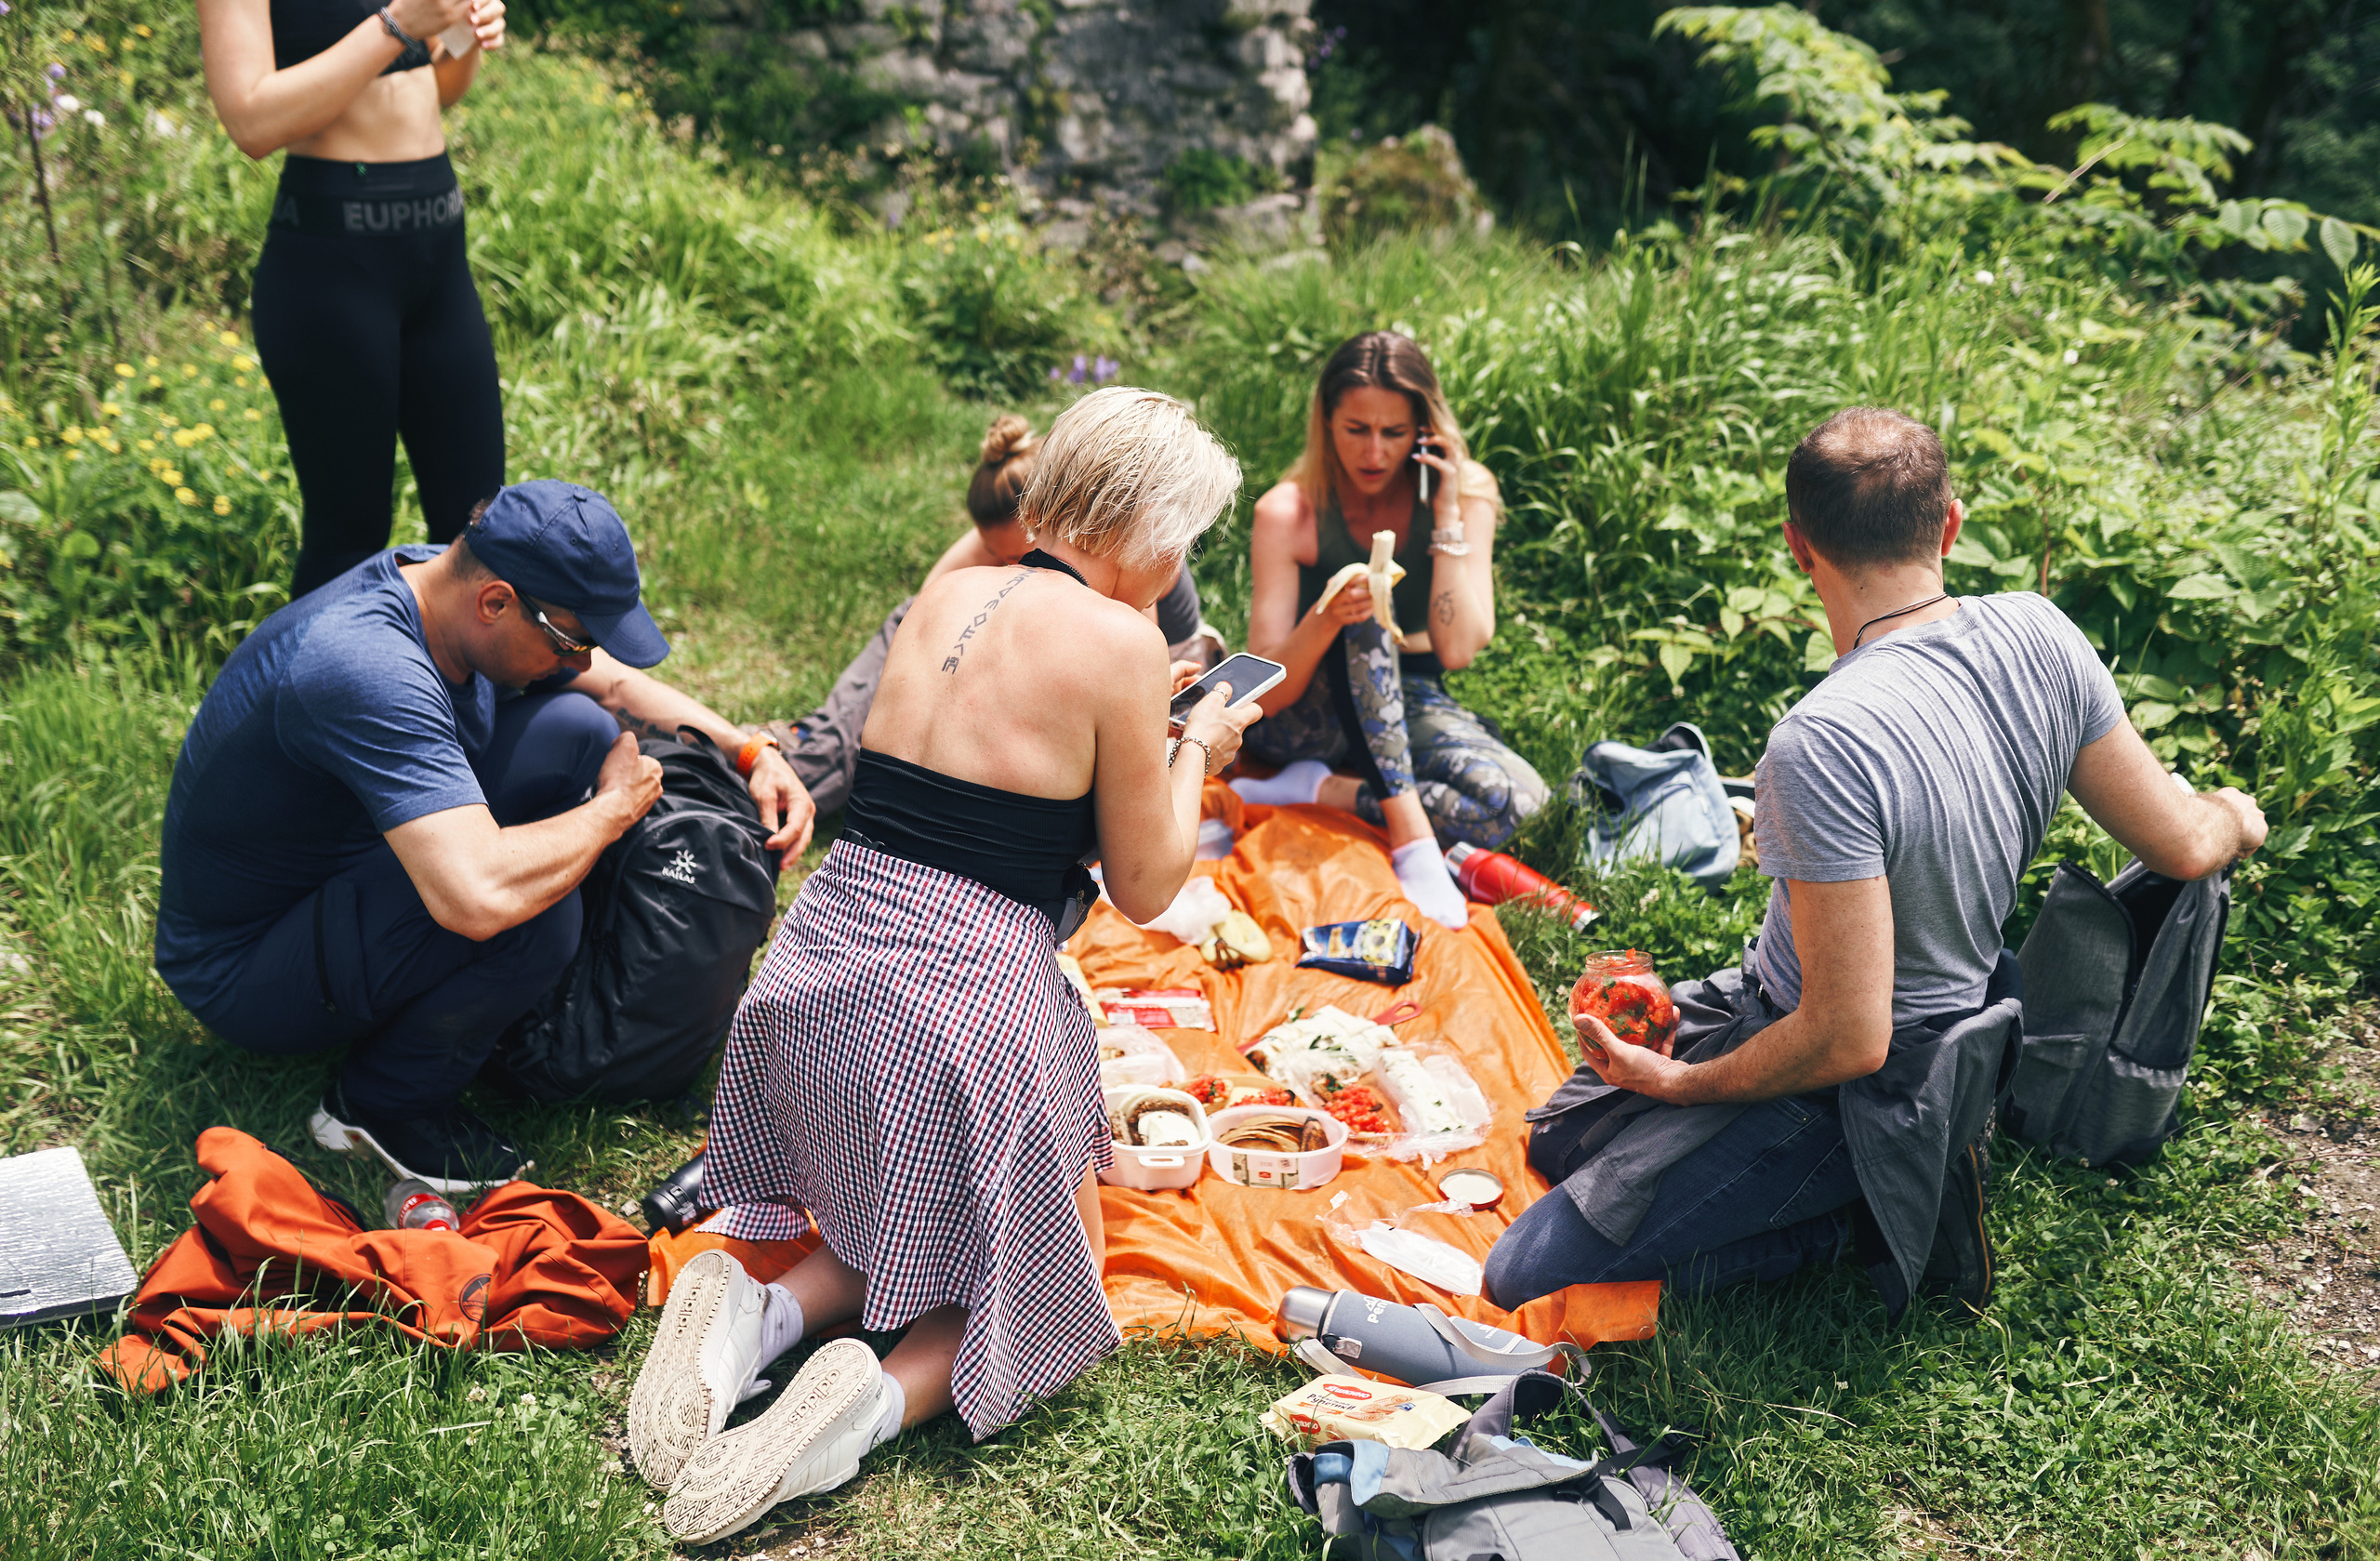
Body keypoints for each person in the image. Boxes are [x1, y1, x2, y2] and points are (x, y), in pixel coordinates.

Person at [624, 388, 1260, 1545]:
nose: (1179, 566)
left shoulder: (949, 590)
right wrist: (1198, 748)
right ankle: (862, 1408)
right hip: (957, 1011)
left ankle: (757, 1315)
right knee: (1045, 1288)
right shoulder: (1127, 641)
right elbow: (1152, 881)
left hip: (814, 979)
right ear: (1146, 530)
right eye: (1182, 541)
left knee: (901, 1215)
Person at [1483, 408, 2268, 1317]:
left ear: (1795, 547)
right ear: (1949, 525)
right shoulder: (2044, 633)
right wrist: (2234, 816)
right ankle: (1827, 1171)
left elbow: (1849, 1037)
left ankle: (1857, 1218)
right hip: (1826, 1014)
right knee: (1557, 1143)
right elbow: (2183, 842)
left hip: (1871, 1086)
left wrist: (1685, 1084)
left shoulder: (1820, 741)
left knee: (1522, 1270)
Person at [154, 481, 813, 1191]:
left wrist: (750, 749)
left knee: (582, 728)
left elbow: (615, 688)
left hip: (335, 867)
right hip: (244, 967)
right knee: (535, 913)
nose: (583, 663)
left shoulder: (445, 582)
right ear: (495, 601)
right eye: (572, 641)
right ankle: (379, 1105)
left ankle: (458, 1002)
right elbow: (475, 898)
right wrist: (612, 810)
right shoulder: (368, 668)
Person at [194, 0, 511, 595]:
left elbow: (435, 87)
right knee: (348, 542)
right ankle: (328, 692)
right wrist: (397, 23)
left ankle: (470, 695)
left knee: (483, 531)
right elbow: (251, 120)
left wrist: (464, 37)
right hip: (332, 266)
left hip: (439, 255)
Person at [1234, 331, 1547, 931]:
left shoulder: (1465, 493)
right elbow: (1266, 692)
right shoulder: (1286, 511)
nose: (1374, 452)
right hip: (1304, 716)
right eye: (1356, 430)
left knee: (1516, 805)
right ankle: (1413, 841)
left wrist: (1448, 514)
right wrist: (1328, 617)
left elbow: (1456, 650)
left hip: (1406, 701)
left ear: (1423, 431)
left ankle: (1322, 792)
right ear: (1326, 423)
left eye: (1394, 433)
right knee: (1366, 603)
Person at [767, 414, 1221, 817]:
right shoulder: (1017, 536)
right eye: (996, 557)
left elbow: (1120, 680)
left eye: (1017, 557)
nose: (1015, 569)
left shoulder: (1136, 585)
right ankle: (818, 738)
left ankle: (808, 757)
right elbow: (922, 626)